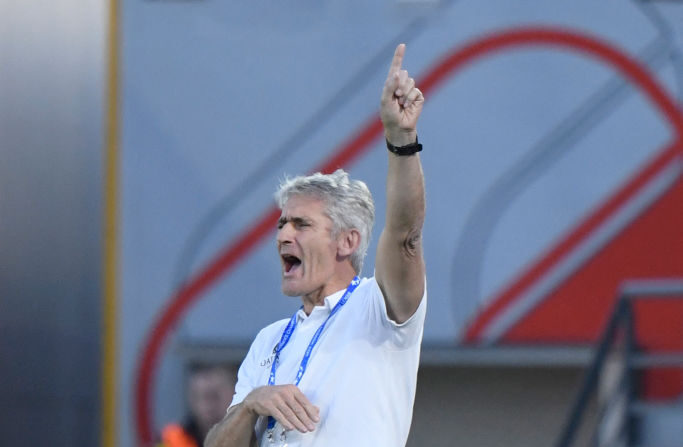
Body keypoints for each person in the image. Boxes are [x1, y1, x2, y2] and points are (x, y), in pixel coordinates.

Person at [205, 43, 426, 447]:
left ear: (347, 241)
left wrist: (401, 138)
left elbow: (405, 236)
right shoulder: (269, 341)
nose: (283, 236)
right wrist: (254, 402)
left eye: (301, 225)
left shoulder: (378, 310)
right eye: (281, 224)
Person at [160, 363, 237, 447]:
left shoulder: (249, 436)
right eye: (200, 397)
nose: (208, 406)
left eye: (215, 396)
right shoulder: (172, 439)